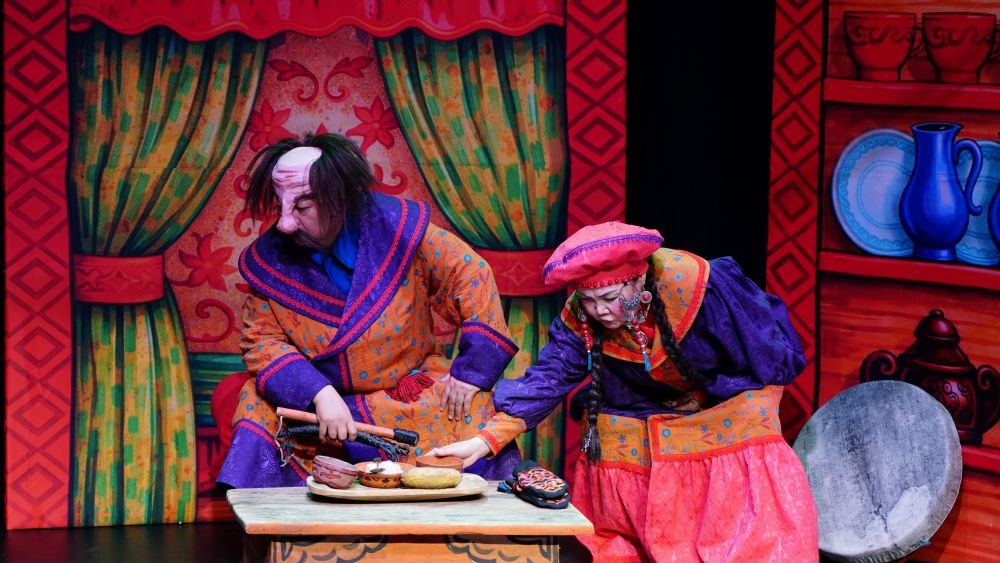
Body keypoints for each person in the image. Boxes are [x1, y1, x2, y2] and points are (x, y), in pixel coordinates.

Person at [430, 221, 819, 561]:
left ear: (639, 281)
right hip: (642, 409)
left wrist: (735, 404)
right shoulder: (581, 318)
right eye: (588, 301)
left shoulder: (698, 285)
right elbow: (549, 378)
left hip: (721, 405)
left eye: (610, 299)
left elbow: (768, 355)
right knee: (609, 435)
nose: (599, 311)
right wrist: (483, 442)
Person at [214, 132, 522, 488]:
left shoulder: (399, 229)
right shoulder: (272, 260)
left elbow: (470, 273)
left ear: (338, 198)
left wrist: (472, 372)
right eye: (279, 204)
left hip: (408, 392)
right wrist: (319, 393)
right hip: (320, 409)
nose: (285, 223)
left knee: (469, 406)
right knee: (254, 402)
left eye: (302, 207)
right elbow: (261, 341)